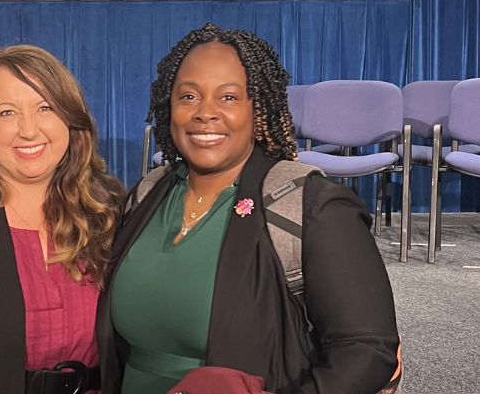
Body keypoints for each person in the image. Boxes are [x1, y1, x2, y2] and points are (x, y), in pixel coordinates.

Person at [96, 23, 400, 394]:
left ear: (258, 108)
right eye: (188, 97)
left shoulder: (312, 206)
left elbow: (367, 351)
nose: (205, 113)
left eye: (228, 97)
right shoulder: (145, 194)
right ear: (168, 106)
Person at [0, 45, 124, 393]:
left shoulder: (108, 206)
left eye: (45, 108)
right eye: (7, 113)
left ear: (69, 116)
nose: (29, 130)